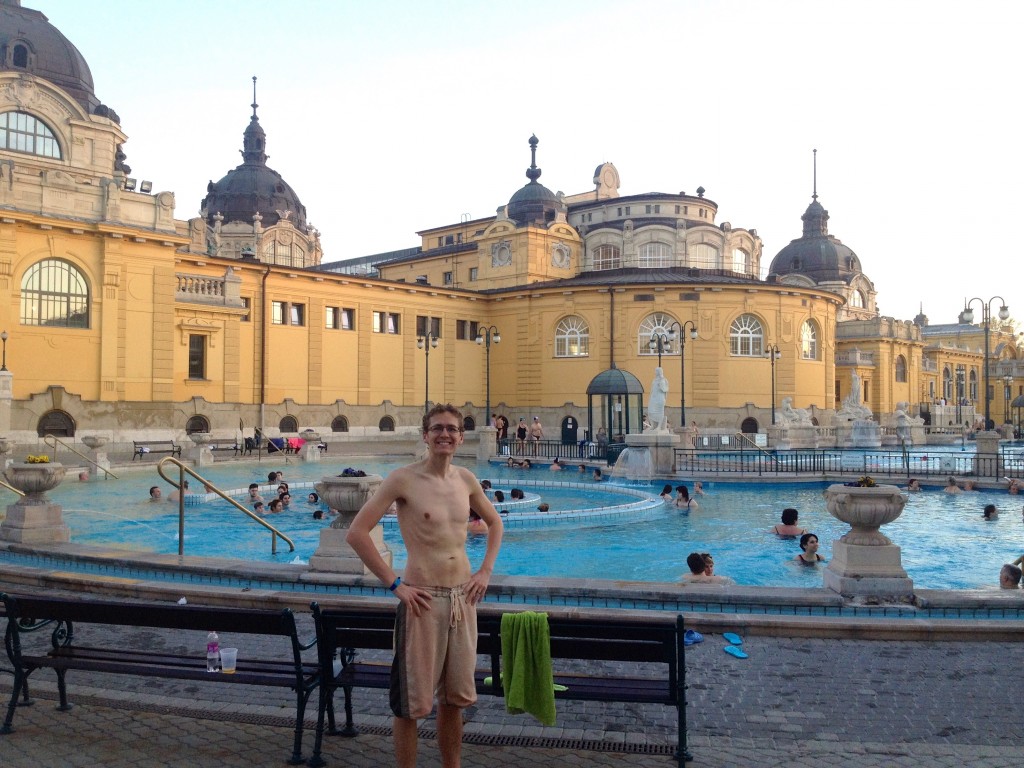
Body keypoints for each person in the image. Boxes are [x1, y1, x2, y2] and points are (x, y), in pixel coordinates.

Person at [345, 404, 502, 768]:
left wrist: (485, 572)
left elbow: (495, 524)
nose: (444, 434)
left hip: (463, 598)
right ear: (425, 435)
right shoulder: (403, 479)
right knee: (411, 704)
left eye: (452, 429)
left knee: (455, 699)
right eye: (437, 429)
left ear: (462, 437)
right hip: (422, 602)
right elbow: (356, 533)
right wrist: (394, 583)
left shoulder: (466, 480)